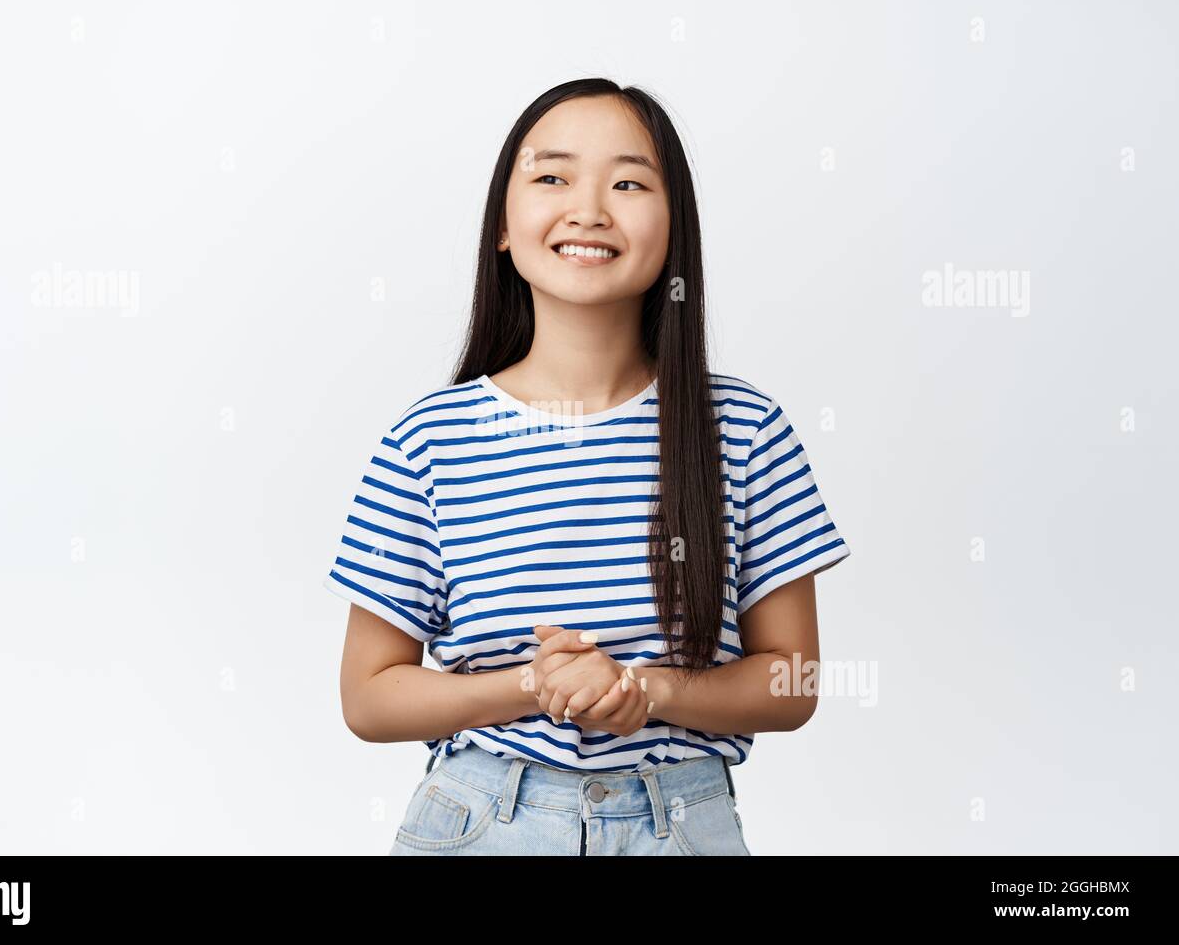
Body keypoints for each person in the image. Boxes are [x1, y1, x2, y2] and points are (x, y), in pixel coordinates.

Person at [324, 78, 851, 855]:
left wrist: (649, 691)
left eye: (630, 182)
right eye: (552, 177)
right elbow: (368, 698)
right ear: (503, 225)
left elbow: (793, 683)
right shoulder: (427, 439)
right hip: (481, 820)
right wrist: (534, 687)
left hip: (679, 824)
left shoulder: (744, 429)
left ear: (676, 230)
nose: (590, 208)